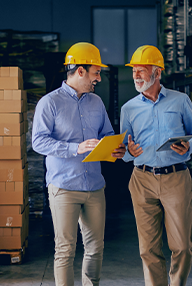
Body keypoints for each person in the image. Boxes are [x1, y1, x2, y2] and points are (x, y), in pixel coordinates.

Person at [32, 42, 126, 286]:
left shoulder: (96, 103)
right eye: (96, 72)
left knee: (95, 248)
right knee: (65, 249)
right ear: (80, 70)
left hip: (94, 186)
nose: (99, 79)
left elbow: (107, 133)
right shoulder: (49, 103)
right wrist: (76, 148)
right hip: (64, 187)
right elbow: (39, 142)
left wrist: (115, 149)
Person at [120, 45, 192, 286]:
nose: (136, 75)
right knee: (148, 247)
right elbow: (122, 148)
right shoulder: (128, 108)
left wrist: (189, 147)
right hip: (142, 179)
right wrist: (129, 152)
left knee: (182, 245)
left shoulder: (180, 101)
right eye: (134, 71)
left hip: (175, 178)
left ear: (157, 73)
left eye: (142, 70)